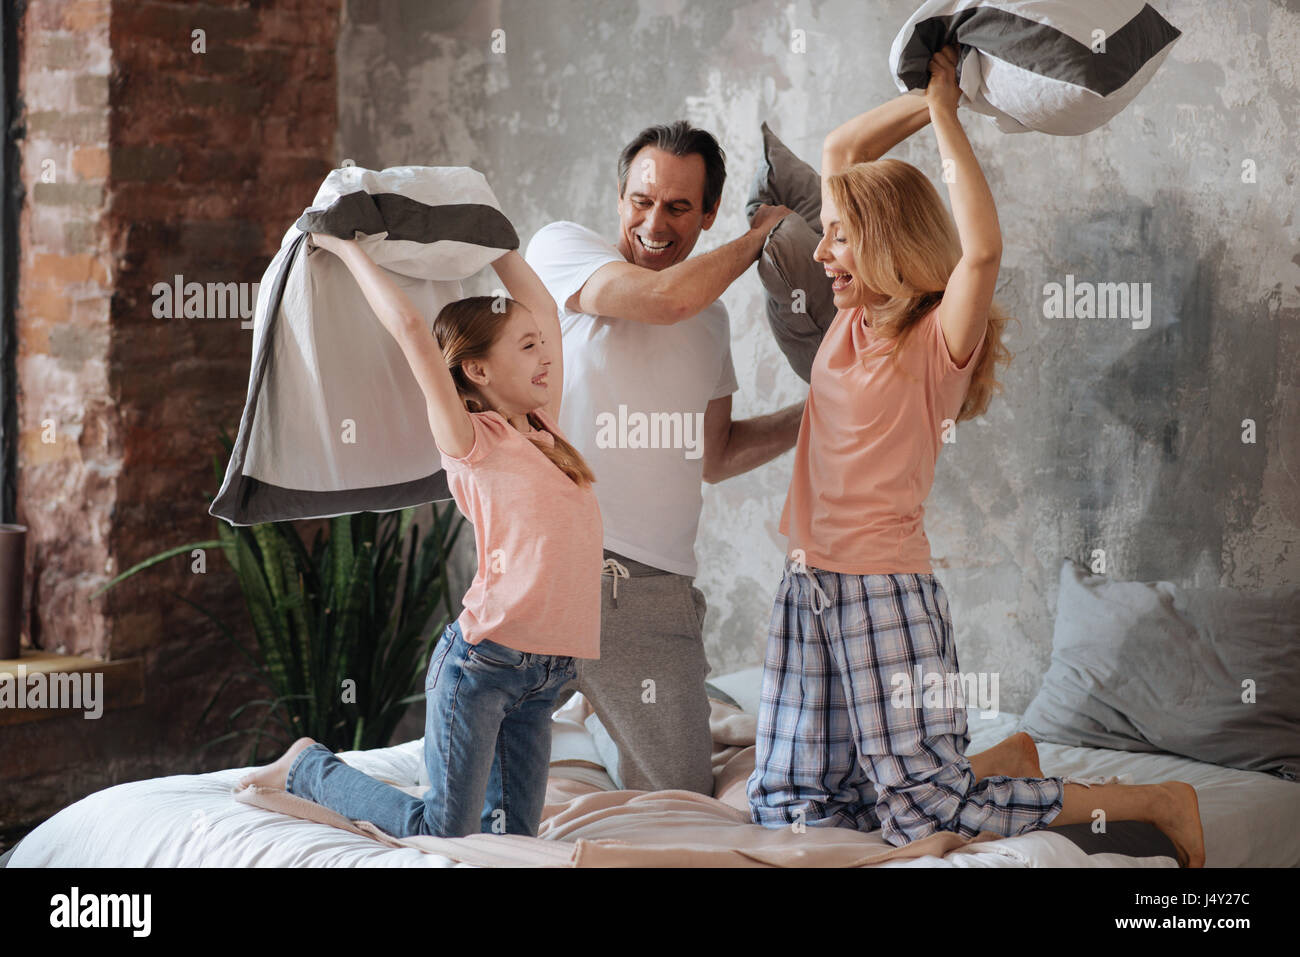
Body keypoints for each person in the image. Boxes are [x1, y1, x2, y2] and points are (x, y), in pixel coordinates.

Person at [746, 45, 1205, 867]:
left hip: (883, 593)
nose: (821, 255)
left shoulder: (934, 340)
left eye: (840, 240)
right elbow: (842, 155)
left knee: (927, 816)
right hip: (805, 587)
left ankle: (1156, 798)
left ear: (884, 245)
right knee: (796, 808)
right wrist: (929, 95)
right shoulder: (853, 322)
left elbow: (982, 253)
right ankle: (1003, 758)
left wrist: (952, 121)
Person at [238, 234, 603, 839]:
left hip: (547, 680)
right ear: (478, 369)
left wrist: (494, 239)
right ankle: (307, 765)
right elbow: (412, 331)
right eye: (528, 345)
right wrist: (348, 248)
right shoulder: (473, 441)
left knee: (511, 842)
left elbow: (540, 303)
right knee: (443, 832)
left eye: (542, 344)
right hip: (483, 666)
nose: (546, 355)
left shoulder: (544, 428)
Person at [522, 121, 803, 794]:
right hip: (546, 564)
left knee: (680, 795)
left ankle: (595, 717)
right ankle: (309, 768)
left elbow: (717, 452)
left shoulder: (711, 324)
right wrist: (759, 235)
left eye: (679, 206)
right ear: (620, 196)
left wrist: (821, 412)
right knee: (470, 797)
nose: (654, 221)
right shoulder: (563, 252)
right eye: (641, 200)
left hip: (648, 594)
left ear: (706, 213)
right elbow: (663, 298)